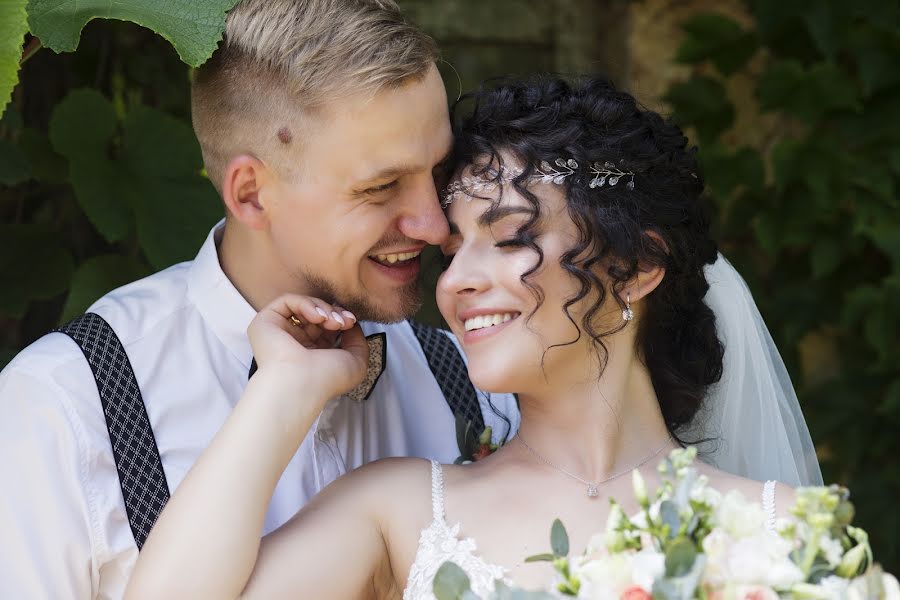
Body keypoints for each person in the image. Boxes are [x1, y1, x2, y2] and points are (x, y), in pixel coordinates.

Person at [124, 76, 822, 599]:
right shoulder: (398, 510)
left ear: (637, 267)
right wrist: (281, 389)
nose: (455, 281)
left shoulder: (780, 530)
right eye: (454, 249)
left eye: (511, 238)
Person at [0, 1, 518, 597]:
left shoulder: (475, 381)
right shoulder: (66, 408)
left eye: (438, 171)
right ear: (250, 195)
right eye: (380, 188)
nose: (433, 224)